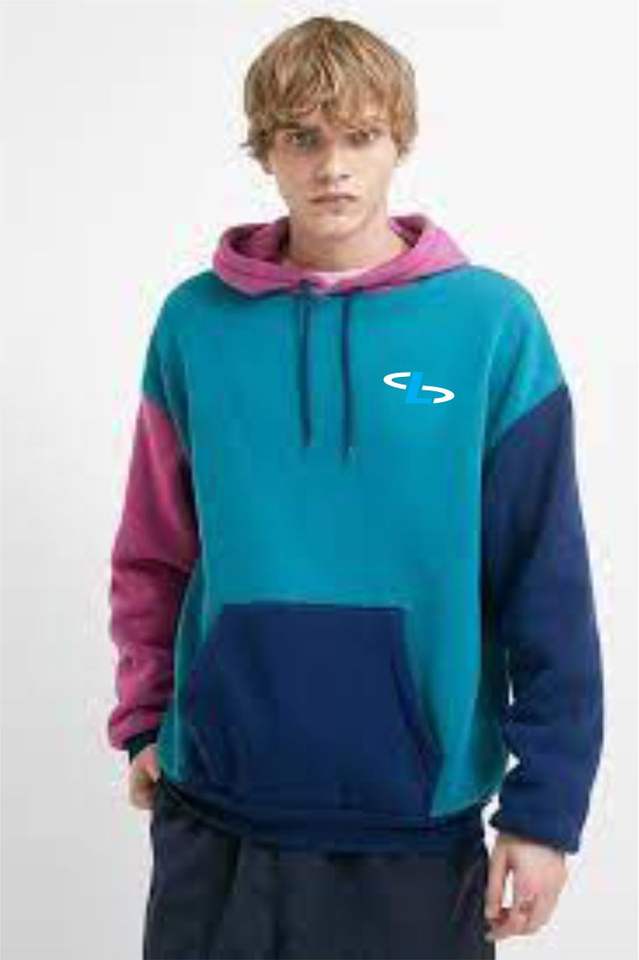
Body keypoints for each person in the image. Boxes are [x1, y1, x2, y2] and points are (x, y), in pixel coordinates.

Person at [106, 15, 605, 960]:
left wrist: (544, 811)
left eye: (359, 135)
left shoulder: (489, 326)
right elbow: (154, 549)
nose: (331, 166)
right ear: (265, 151)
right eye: (302, 137)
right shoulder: (195, 325)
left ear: (397, 142)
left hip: (411, 822)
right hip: (215, 809)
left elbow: (544, 577)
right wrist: (142, 721)